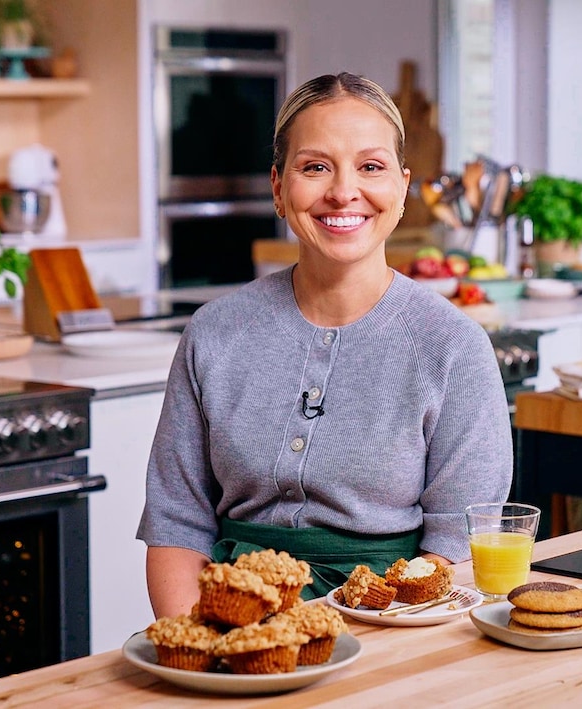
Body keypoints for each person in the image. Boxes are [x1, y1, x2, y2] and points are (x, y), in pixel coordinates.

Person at [138, 72, 513, 619]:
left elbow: (455, 548)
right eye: (315, 167)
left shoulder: (455, 348)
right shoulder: (213, 334)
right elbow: (177, 523)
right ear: (278, 188)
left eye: (371, 167)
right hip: (225, 618)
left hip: (392, 622)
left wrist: (361, 640)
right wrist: (203, 643)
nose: (343, 191)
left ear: (402, 188)